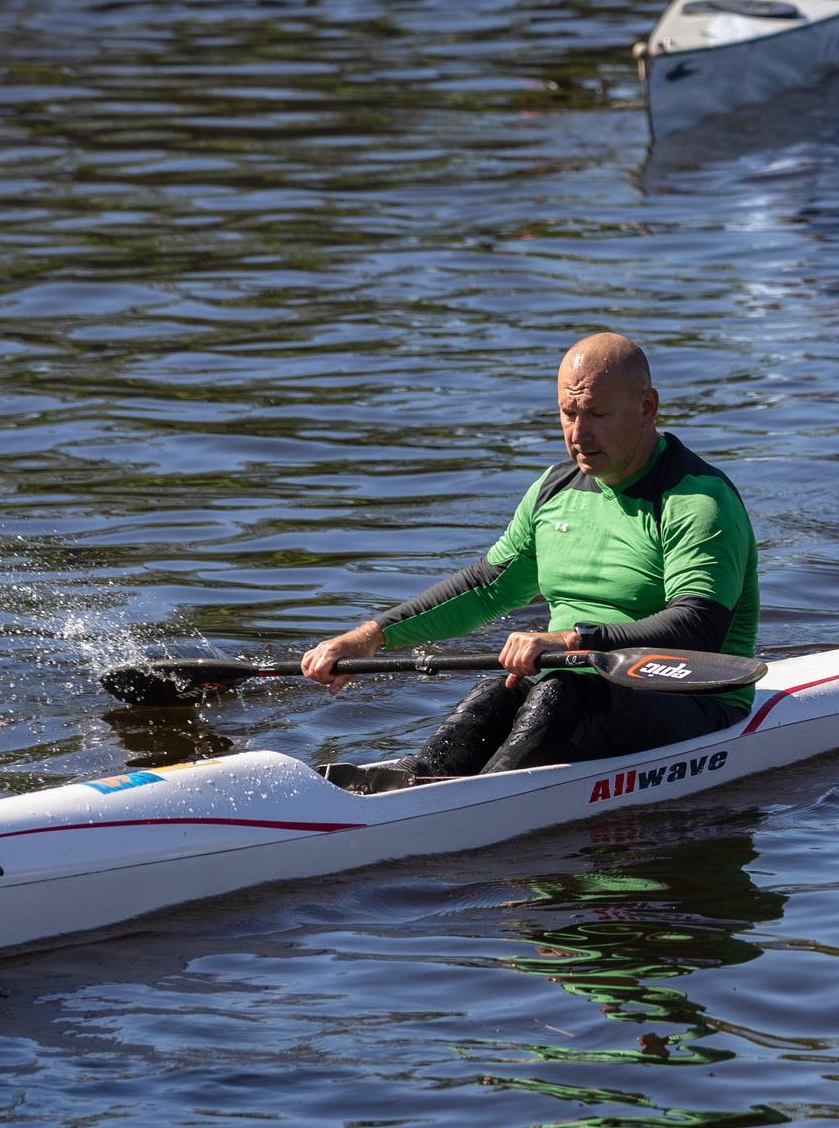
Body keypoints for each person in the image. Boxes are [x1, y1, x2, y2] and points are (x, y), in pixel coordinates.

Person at [302, 333, 761, 787]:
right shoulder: (554, 490)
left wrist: (571, 639)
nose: (579, 434)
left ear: (647, 407)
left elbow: (699, 627)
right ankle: (420, 783)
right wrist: (370, 637)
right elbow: (486, 587)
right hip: (576, 686)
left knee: (560, 692)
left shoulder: (696, 499)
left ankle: (466, 802)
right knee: (491, 695)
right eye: (568, 413)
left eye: (598, 414)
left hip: (692, 692)